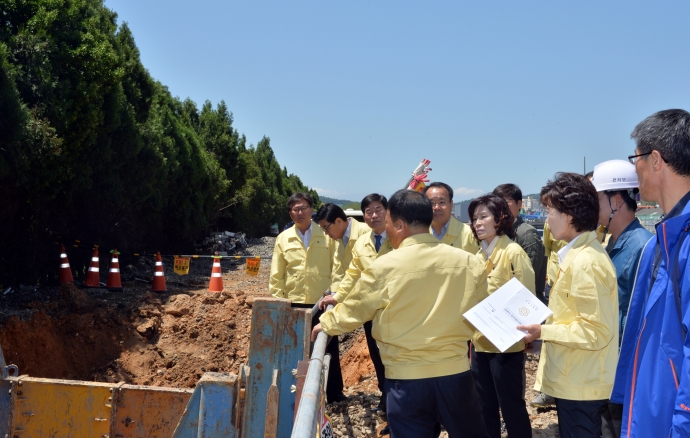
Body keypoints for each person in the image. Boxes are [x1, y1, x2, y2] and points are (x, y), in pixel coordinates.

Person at [313, 189, 489, 438]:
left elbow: (356, 308)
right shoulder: (470, 262)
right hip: (456, 374)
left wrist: (327, 324)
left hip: (406, 379)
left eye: (387, 224)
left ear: (399, 225)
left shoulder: (384, 266)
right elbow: (483, 312)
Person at [519, 172, 618, 438]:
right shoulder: (578, 255)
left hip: (581, 384)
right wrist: (541, 342)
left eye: (550, 210)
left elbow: (595, 331)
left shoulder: (586, 262)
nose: (547, 218)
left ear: (569, 214)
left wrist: (543, 332)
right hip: (574, 379)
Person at [612, 109, 690, 437]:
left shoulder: (683, 239)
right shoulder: (667, 234)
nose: (635, 168)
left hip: (670, 420)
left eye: (637, 158)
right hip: (650, 413)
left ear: (656, 160)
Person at [590, 159, 652, 438]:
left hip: (622, 365)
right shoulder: (610, 242)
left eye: (596, 200)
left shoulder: (641, 246)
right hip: (607, 359)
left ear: (616, 200)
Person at [318, 194, 393, 415]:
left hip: (397, 310)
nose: (374, 215)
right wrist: (338, 295)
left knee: (396, 358)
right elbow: (351, 273)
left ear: (387, 211)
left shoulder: (399, 238)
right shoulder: (363, 242)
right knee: (378, 356)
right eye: (368, 212)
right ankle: (386, 397)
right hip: (371, 310)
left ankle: (401, 404)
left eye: (378, 209)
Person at [468, 194, 535, 438]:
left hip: (506, 345)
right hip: (479, 343)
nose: (477, 223)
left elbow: (527, 299)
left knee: (511, 407)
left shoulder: (513, 252)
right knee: (484, 407)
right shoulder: (476, 258)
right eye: (474, 218)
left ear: (500, 219)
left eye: (483, 217)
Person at [269, 193, 346, 403]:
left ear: (312, 209)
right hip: (293, 303)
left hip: (322, 302)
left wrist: (335, 294)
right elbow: (277, 274)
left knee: (328, 347)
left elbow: (338, 267)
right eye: (295, 209)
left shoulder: (325, 234)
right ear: (290, 213)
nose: (299, 212)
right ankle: (296, 392)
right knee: (294, 348)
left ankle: (334, 393)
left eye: (303, 208)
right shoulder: (283, 238)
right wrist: (278, 302)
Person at [492, 184, 546, 303]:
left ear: (520, 204)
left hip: (522, 303)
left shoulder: (527, 233)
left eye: (507, 200)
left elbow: (529, 275)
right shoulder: (494, 232)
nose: (502, 205)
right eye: (497, 201)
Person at [315, 203, 371, 293]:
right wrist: (334, 292)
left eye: (326, 228)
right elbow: (338, 271)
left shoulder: (367, 232)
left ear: (338, 221)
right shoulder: (338, 238)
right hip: (348, 295)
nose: (326, 233)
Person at [424, 182, 479, 254]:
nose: (436, 207)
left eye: (442, 202)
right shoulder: (418, 234)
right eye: (431, 203)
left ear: (451, 204)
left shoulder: (470, 234)